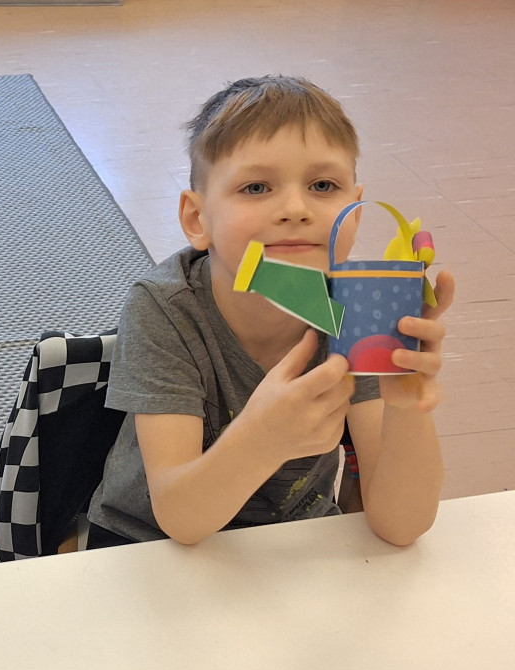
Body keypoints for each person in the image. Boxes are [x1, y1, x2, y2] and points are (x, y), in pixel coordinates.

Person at [86, 75, 455, 548]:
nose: (296, 208)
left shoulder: (358, 310)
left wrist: (407, 408)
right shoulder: (166, 308)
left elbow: (400, 526)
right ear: (198, 219)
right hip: (149, 544)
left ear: (355, 212)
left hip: (293, 545)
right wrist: (262, 440)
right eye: (257, 187)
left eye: (323, 185)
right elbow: (180, 521)